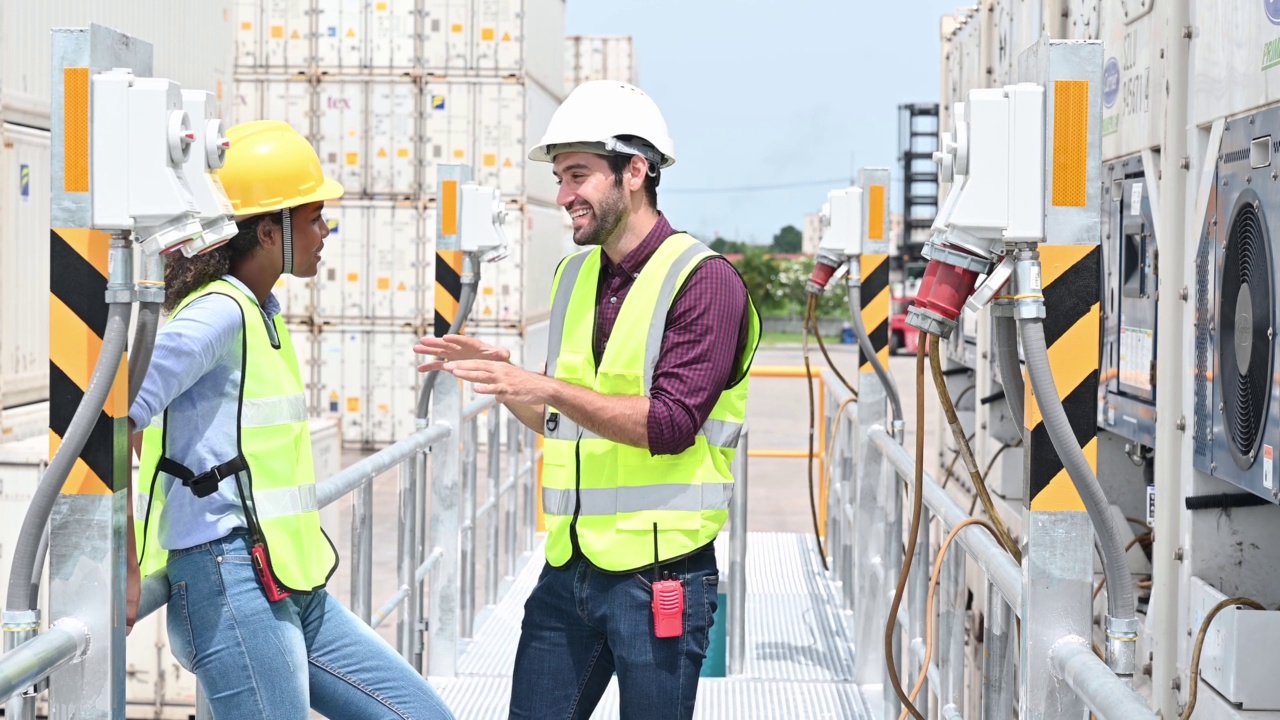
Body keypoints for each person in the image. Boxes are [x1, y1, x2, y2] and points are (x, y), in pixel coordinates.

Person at [414, 81, 761, 719]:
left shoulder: (705, 281)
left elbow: (669, 424)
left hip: (662, 576)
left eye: (579, 175)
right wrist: (505, 381)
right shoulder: (574, 275)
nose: (563, 195)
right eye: (559, 176)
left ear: (636, 171)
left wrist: (543, 385)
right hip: (569, 566)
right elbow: (560, 416)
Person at [127, 120, 455, 720]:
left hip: (288, 580)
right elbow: (113, 411)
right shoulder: (219, 314)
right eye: (313, 218)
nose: (324, 231)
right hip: (228, 584)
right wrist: (125, 563)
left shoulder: (261, 312)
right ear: (269, 230)